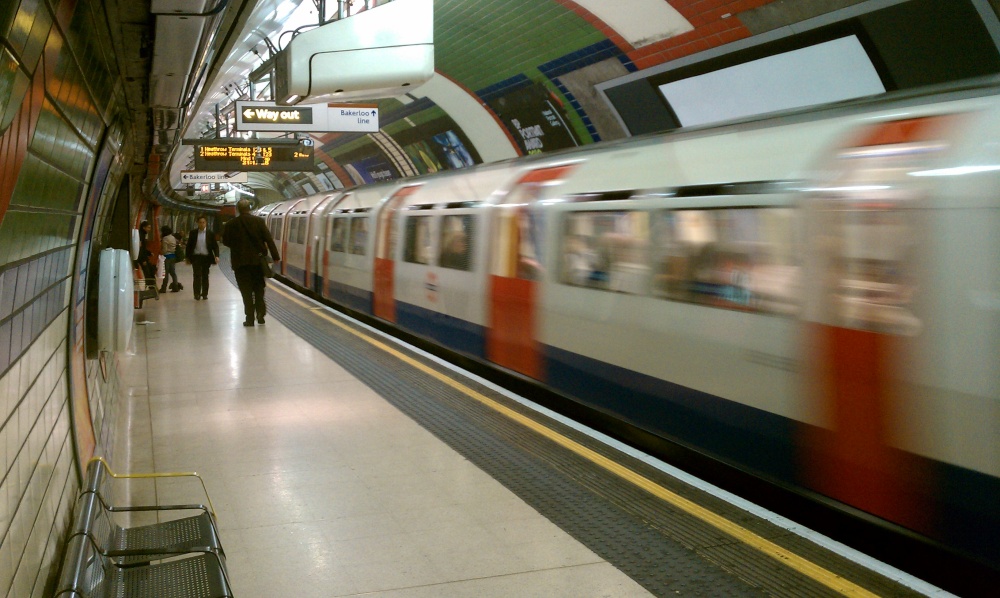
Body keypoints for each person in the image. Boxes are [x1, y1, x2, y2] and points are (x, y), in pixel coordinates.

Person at [222, 199, 279, 326]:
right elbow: (269, 240)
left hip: (240, 263)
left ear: (237, 209)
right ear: (249, 208)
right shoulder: (258, 221)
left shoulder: (231, 224)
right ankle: (261, 314)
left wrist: (237, 246)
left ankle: (249, 318)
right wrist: (275, 256)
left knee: (246, 291)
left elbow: (225, 241)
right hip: (257, 263)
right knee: (259, 289)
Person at [185, 216, 220, 300]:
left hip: (206, 257)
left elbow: (215, 246)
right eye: (200, 222)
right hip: (196, 257)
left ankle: (204, 294)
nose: (201, 224)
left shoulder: (210, 233)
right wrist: (187, 257)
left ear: (206, 223)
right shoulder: (193, 233)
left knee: (205, 275)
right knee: (197, 275)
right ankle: (196, 294)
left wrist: (216, 256)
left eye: (203, 222)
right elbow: (189, 246)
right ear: (197, 223)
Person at [159, 225, 181, 293]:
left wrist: (160, 252)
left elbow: (165, 250)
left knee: (166, 273)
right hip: (173, 256)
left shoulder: (165, 238)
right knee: (173, 273)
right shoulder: (173, 237)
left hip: (167, 257)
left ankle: (163, 288)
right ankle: (175, 286)